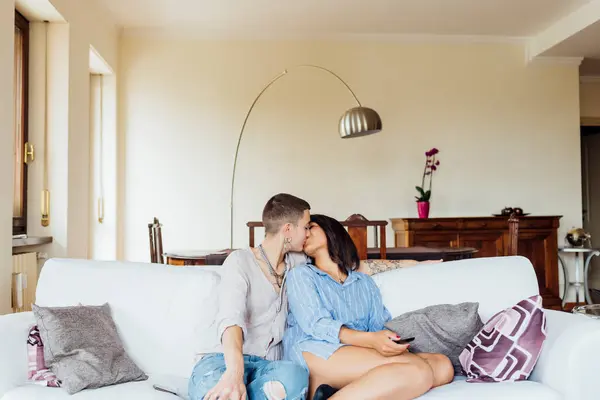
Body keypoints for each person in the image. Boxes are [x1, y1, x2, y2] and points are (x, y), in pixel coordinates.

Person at [283, 214, 454, 400]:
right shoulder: (301, 275)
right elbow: (315, 323)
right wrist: (371, 340)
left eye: (311, 227)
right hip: (316, 351)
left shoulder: (364, 282)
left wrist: (385, 343)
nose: (305, 233)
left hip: (356, 352)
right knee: (418, 370)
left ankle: (340, 392)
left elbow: (376, 327)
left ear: (331, 231)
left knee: (442, 365)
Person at [189, 193, 312, 400]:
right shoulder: (240, 261)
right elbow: (231, 320)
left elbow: (340, 265)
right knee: (221, 390)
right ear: (288, 230)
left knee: (295, 377)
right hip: (223, 361)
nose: (308, 233)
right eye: (306, 227)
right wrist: (234, 374)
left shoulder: (298, 263)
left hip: (267, 367)